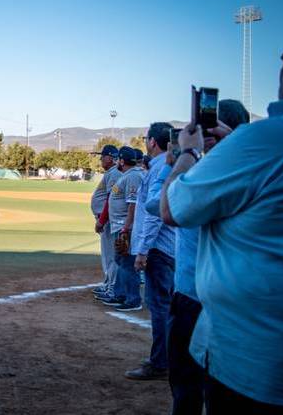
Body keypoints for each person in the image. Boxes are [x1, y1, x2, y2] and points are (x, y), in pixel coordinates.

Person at [161, 52, 283, 413]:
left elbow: (171, 208)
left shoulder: (262, 140)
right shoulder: (254, 143)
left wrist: (189, 153)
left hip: (252, 360)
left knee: (188, 392)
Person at [145, 100, 249, 414]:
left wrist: (179, 157)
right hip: (240, 299)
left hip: (192, 295)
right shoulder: (253, 170)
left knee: (187, 389)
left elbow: (156, 205)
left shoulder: (197, 175)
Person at [126, 122, 176, 381]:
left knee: (159, 307)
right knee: (169, 307)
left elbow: (154, 215)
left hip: (159, 249)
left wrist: (143, 251)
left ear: (152, 142)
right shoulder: (173, 166)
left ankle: (160, 362)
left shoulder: (158, 168)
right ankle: (167, 358)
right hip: (171, 248)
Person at [97, 146, 144, 310]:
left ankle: (132, 299)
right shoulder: (127, 175)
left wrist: (126, 227)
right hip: (119, 226)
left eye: (118, 159)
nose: (117, 162)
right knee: (120, 261)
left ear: (122, 161)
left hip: (125, 227)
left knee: (127, 263)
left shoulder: (133, 176)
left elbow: (133, 205)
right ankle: (120, 294)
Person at [91, 145, 122, 298]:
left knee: (111, 256)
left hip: (109, 220)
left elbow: (111, 199)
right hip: (107, 219)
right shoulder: (113, 172)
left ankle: (112, 288)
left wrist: (102, 220)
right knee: (109, 256)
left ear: (110, 157)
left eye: (102, 157)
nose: (101, 160)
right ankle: (109, 284)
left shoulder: (114, 173)